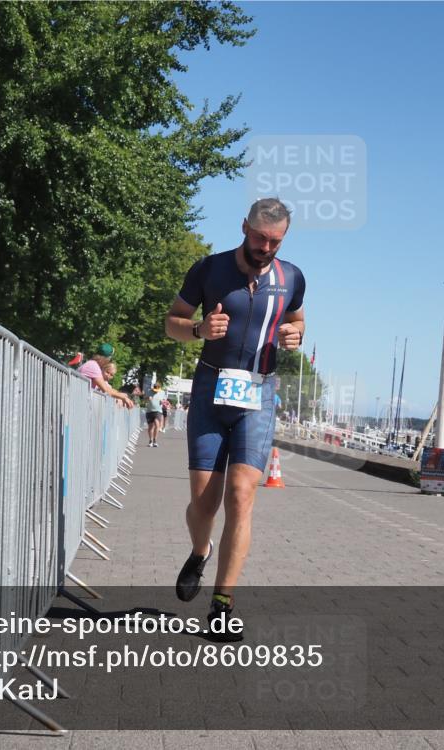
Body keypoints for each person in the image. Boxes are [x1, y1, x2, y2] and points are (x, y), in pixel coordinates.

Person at [164, 198, 305, 639]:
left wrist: (295, 337)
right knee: (205, 503)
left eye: (275, 241)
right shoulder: (209, 268)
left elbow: (298, 323)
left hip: (259, 391)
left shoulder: (292, 277)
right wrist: (199, 331)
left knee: (241, 496)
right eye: (260, 237)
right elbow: (171, 321)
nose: (266, 247)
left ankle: (222, 604)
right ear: (244, 226)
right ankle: (199, 549)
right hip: (210, 388)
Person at [77, 343, 135, 409]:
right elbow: (106, 390)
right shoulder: (93, 366)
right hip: (79, 405)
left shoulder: (92, 364)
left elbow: (108, 388)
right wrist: (123, 397)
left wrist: (121, 395)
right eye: (110, 358)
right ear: (106, 358)